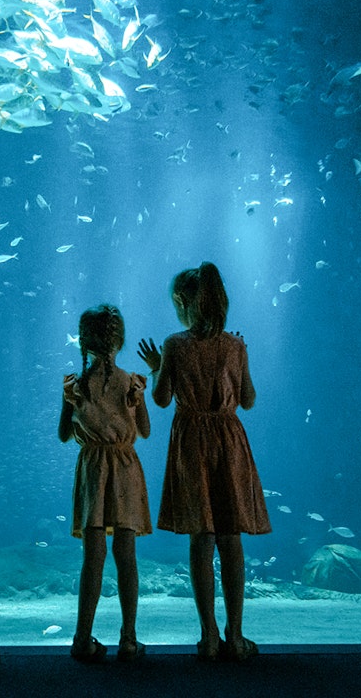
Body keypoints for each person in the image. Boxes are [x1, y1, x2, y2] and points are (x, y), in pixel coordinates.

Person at [137, 262, 272, 662]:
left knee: (202, 537)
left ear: (182, 302)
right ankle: (237, 633)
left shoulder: (175, 345)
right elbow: (247, 401)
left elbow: (161, 400)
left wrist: (158, 368)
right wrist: (239, 359)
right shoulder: (236, 345)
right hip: (230, 442)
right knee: (231, 538)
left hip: (193, 444)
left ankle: (209, 635)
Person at [58, 304, 152, 664]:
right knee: (126, 555)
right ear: (121, 340)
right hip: (125, 466)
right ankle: (129, 638)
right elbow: (144, 430)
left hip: (93, 469)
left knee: (92, 557)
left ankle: (82, 637)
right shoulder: (132, 382)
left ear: (84, 341)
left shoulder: (75, 384)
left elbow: (64, 434)